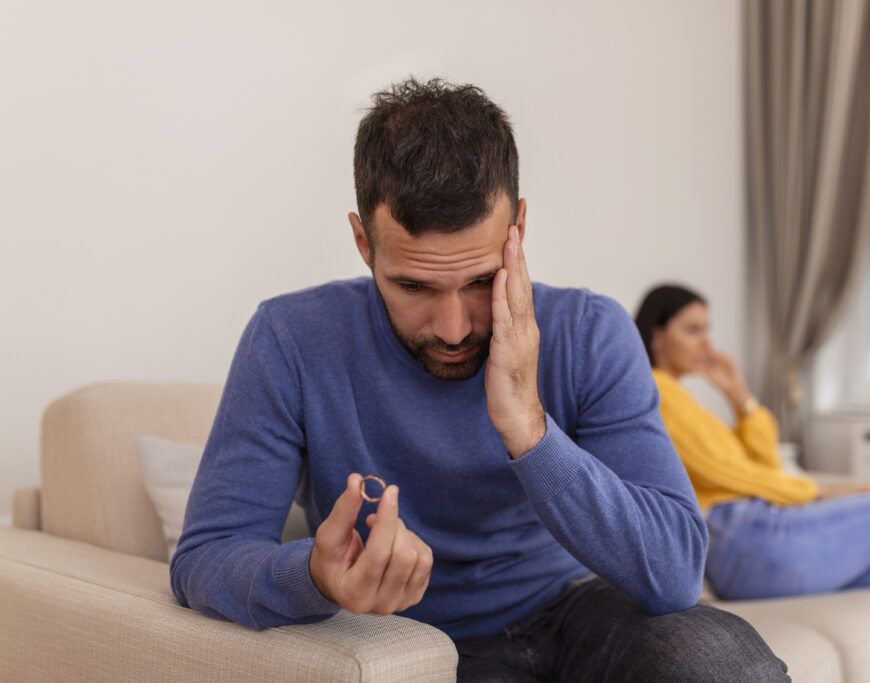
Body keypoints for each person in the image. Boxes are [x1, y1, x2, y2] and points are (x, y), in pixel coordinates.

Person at [169, 79, 789, 682]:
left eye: (480, 280)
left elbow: (676, 571)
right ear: (363, 242)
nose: (455, 327)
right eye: (413, 286)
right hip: (415, 640)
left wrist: (527, 425)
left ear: (517, 226)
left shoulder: (590, 330)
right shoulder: (290, 338)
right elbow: (204, 557)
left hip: (573, 606)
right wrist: (315, 575)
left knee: (722, 662)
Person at [634, 283, 870, 683]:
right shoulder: (655, 393)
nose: (707, 344)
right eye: (693, 329)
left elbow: (764, 463)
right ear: (657, 335)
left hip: (758, 539)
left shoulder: (685, 399)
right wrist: (822, 491)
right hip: (747, 536)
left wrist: (740, 398)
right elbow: (733, 476)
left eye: (708, 329)